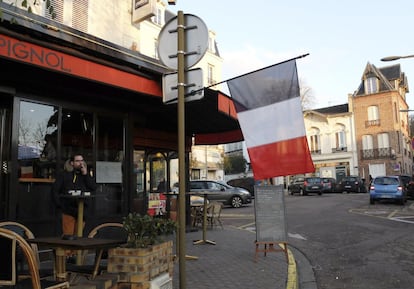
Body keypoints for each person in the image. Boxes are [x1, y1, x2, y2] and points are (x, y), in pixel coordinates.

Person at [52, 154, 96, 260]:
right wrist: (59, 205)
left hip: (82, 209)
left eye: (82, 160)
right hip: (68, 208)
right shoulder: (64, 175)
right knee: (68, 234)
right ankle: (66, 258)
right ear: (72, 162)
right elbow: (55, 190)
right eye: (77, 161)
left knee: (78, 235)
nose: (80, 163)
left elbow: (93, 187)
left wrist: (86, 174)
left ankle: (76, 256)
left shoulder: (85, 175)